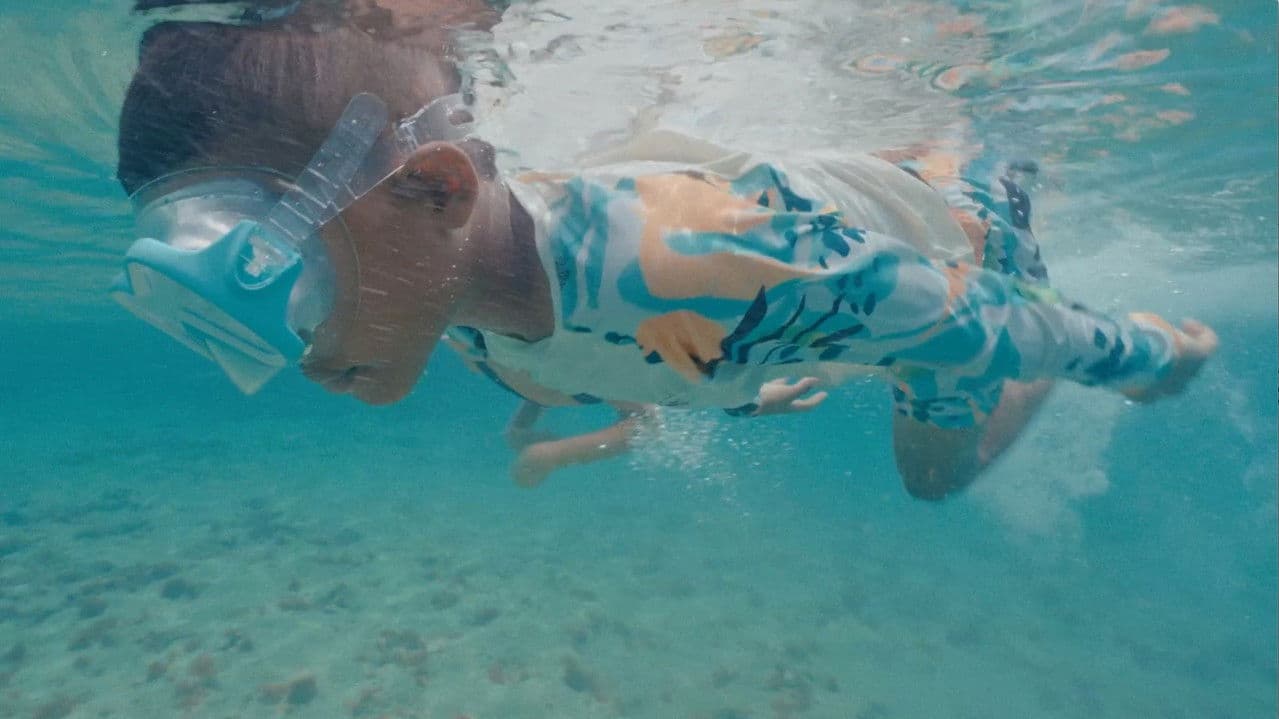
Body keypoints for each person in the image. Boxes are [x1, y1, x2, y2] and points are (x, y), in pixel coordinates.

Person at [111, 1, 1218, 501]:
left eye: (298, 293)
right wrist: (723, 386)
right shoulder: (443, 287)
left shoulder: (707, 264)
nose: (298, 358)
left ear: (441, 187)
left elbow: (976, 324)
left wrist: (1143, 356)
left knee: (933, 471)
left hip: (949, 252)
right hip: (795, 294)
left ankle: (1003, 194)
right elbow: (584, 346)